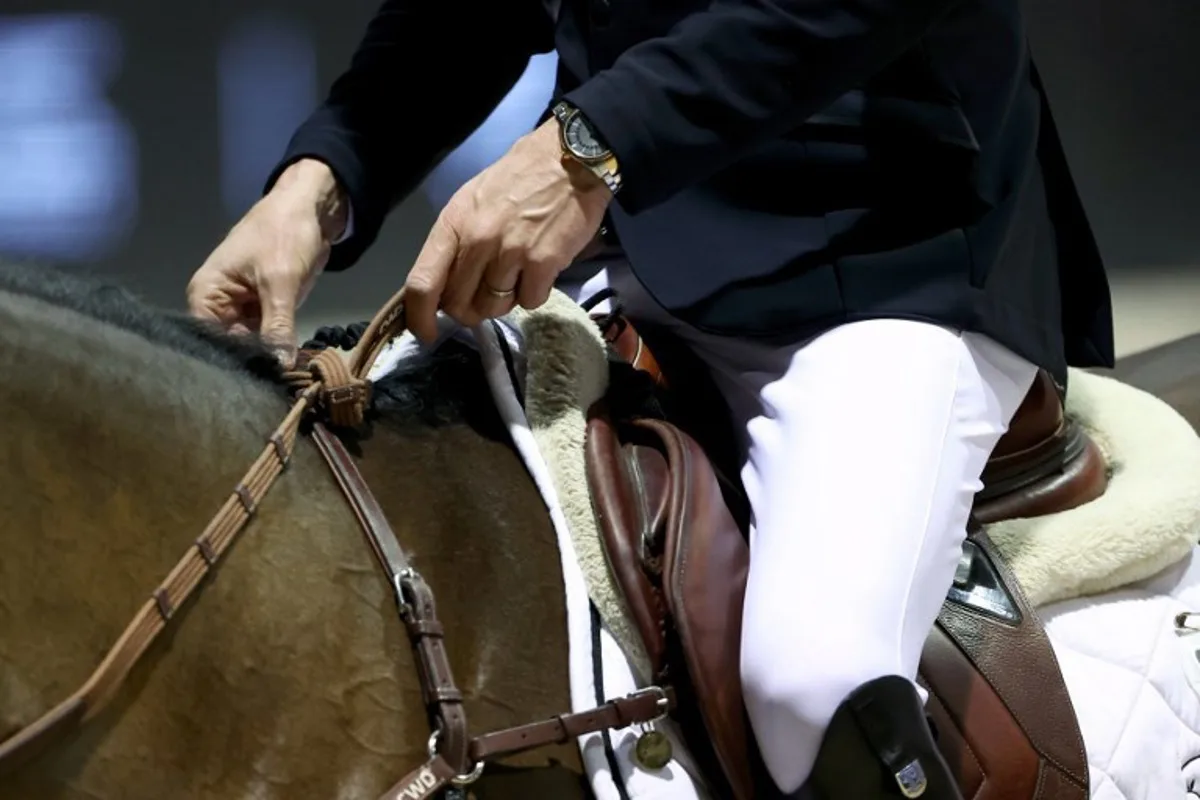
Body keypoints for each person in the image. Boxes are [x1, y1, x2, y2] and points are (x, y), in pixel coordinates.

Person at [187, 2, 1114, 797]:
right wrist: (325, 179)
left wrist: (586, 151)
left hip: (885, 259)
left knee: (813, 677)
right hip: (634, 266)